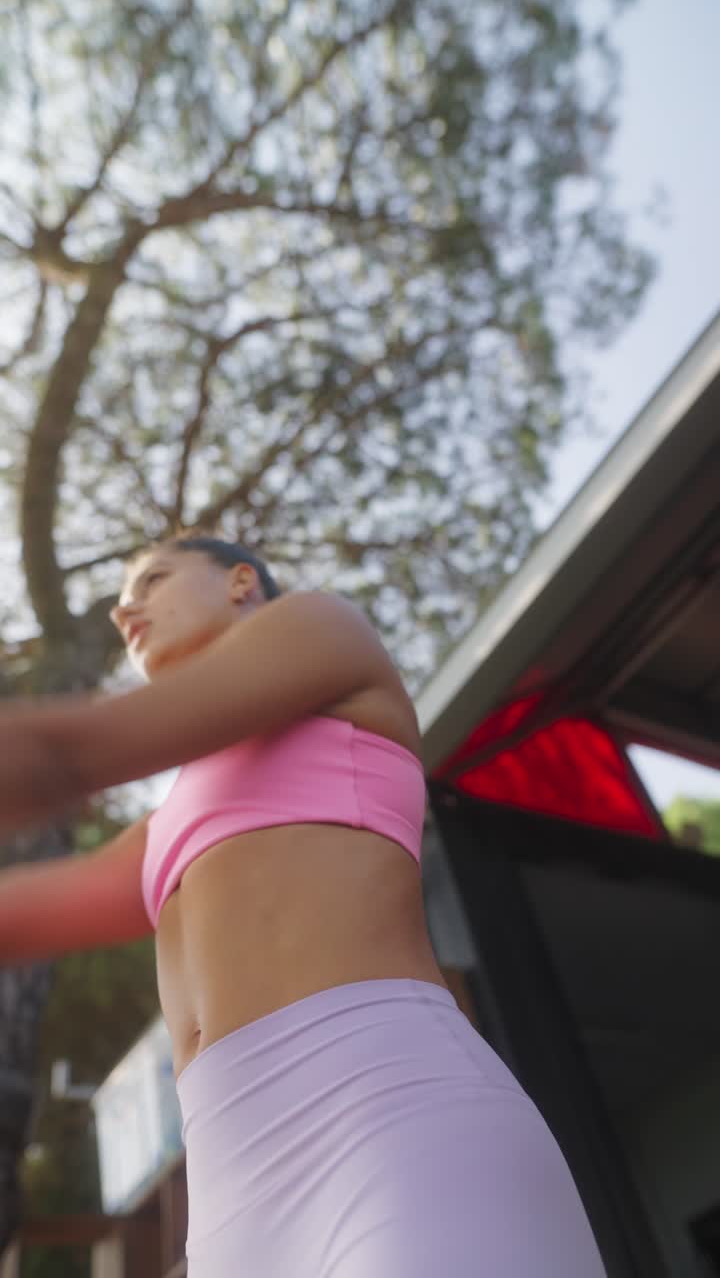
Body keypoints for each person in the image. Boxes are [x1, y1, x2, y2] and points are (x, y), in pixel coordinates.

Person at [0, 533, 607, 1277]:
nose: (127, 611)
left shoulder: (322, 628)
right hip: (229, 1207)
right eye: (124, 597)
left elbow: (64, 757)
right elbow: (20, 916)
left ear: (241, 581)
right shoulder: (172, 823)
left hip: (394, 1124)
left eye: (152, 580)